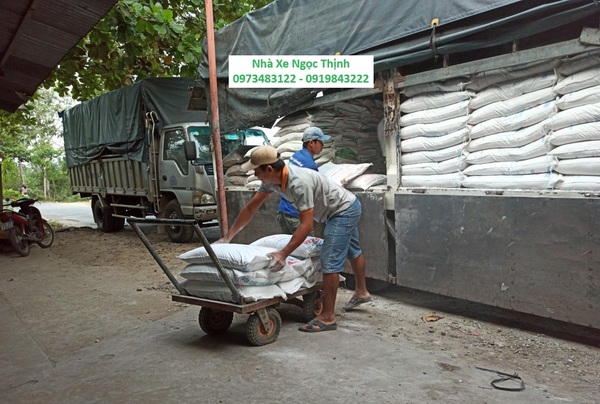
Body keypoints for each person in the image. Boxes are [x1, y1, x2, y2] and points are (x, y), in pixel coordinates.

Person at [216, 144, 371, 332]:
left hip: (343, 210)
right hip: (342, 206)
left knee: (330, 261)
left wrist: (283, 253)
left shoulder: (298, 183)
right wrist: (228, 237)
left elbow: (306, 226)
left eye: (256, 170)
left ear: (270, 169)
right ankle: (362, 292)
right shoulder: (270, 181)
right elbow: (251, 208)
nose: (255, 175)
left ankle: (327, 317)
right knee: (353, 250)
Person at [277, 127, 330, 234]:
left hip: (284, 211)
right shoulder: (309, 164)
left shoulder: (295, 156)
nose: (323, 146)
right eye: (320, 142)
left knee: (291, 248)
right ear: (311, 143)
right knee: (310, 249)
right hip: (295, 216)